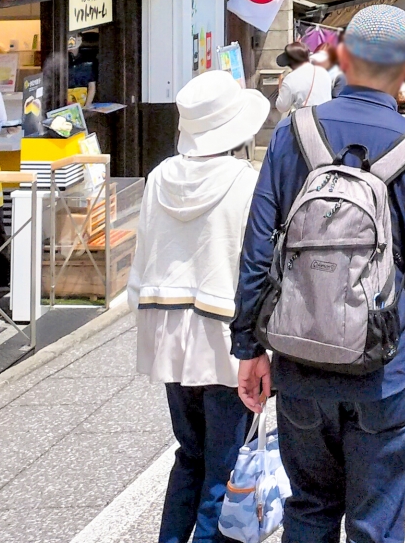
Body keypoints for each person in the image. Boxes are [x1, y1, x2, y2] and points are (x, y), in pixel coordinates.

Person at [231, 6, 405, 543]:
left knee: (310, 508)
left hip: (299, 360)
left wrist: (248, 346)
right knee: (375, 522)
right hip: (385, 371)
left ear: (343, 57)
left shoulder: (295, 135)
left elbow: (257, 250)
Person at [131, 70, 270, 543]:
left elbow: (143, 256)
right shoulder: (245, 182)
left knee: (189, 453)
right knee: (224, 463)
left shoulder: (158, 179)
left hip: (167, 333)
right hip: (225, 336)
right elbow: (256, 266)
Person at [273, 42, 334, 117]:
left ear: (290, 63)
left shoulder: (290, 78)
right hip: (327, 118)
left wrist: (280, 87)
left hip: (307, 120)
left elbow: (282, 107)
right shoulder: (323, 72)